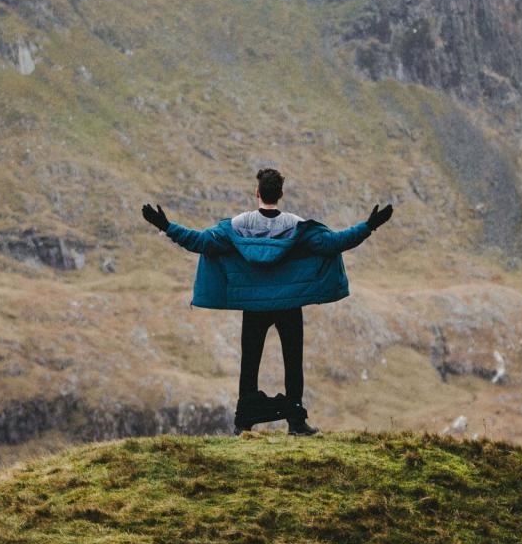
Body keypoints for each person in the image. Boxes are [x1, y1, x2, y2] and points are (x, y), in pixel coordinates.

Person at [142, 168, 393, 435]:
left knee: (250, 363)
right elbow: (334, 243)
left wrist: (165, 226)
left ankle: (243, 424)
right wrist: (369, 226)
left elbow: (200, 242)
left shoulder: (236, 227)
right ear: (281, 194)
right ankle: (296, 423)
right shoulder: (296, 227)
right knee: (293, 361)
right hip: (288, 305)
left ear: (257, 193)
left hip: (254, 306)